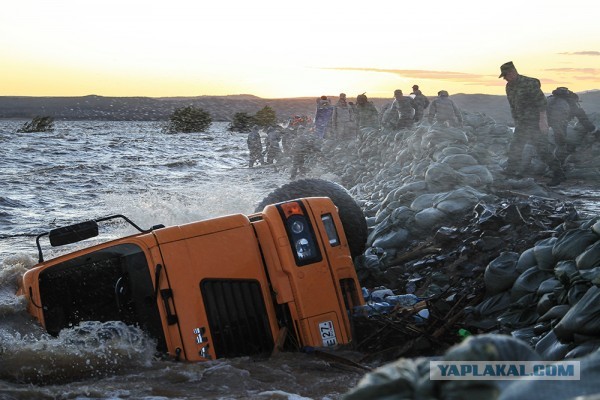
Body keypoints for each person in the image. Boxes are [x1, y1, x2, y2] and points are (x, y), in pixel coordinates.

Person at [499, 61, 564, 186]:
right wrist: (516, 121)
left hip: (534, 122)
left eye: (506, 75)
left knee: (542, 150)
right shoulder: (509, 86)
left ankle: (559, 174)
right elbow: (513, 106)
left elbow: (541, 102)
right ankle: (511, 172)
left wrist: (543, 121)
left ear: (513, 72)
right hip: (522, 123)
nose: (505, 78)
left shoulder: (529, 83)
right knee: (515, 147)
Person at [547, 86, 598, 165]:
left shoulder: (549, 99)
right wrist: (595, 131)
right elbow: (584, 120)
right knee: (561, 145)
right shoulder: (572, 103)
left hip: (545, 127)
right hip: (559, 126)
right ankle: (558, 167)